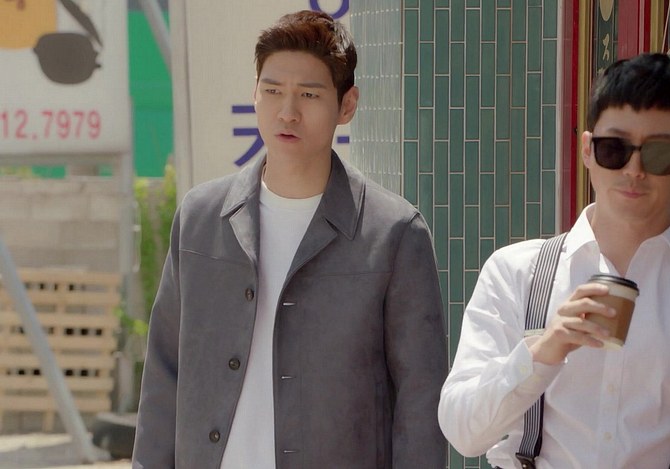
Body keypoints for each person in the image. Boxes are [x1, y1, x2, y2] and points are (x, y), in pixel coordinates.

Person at [132, 10, 447, 468]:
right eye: (273, 90)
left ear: (347, 105)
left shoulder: (393, 234)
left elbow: (421, 402)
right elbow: (163, 377)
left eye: (309, 94)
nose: (287, 112)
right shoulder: (201, 219)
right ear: (255, 94)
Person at [438, 53, 670, 468]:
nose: (634, 170)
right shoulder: (516, 272)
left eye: (659, 153)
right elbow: (463, 432)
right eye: (615, 149)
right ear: (588, 150)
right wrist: (543, 351)